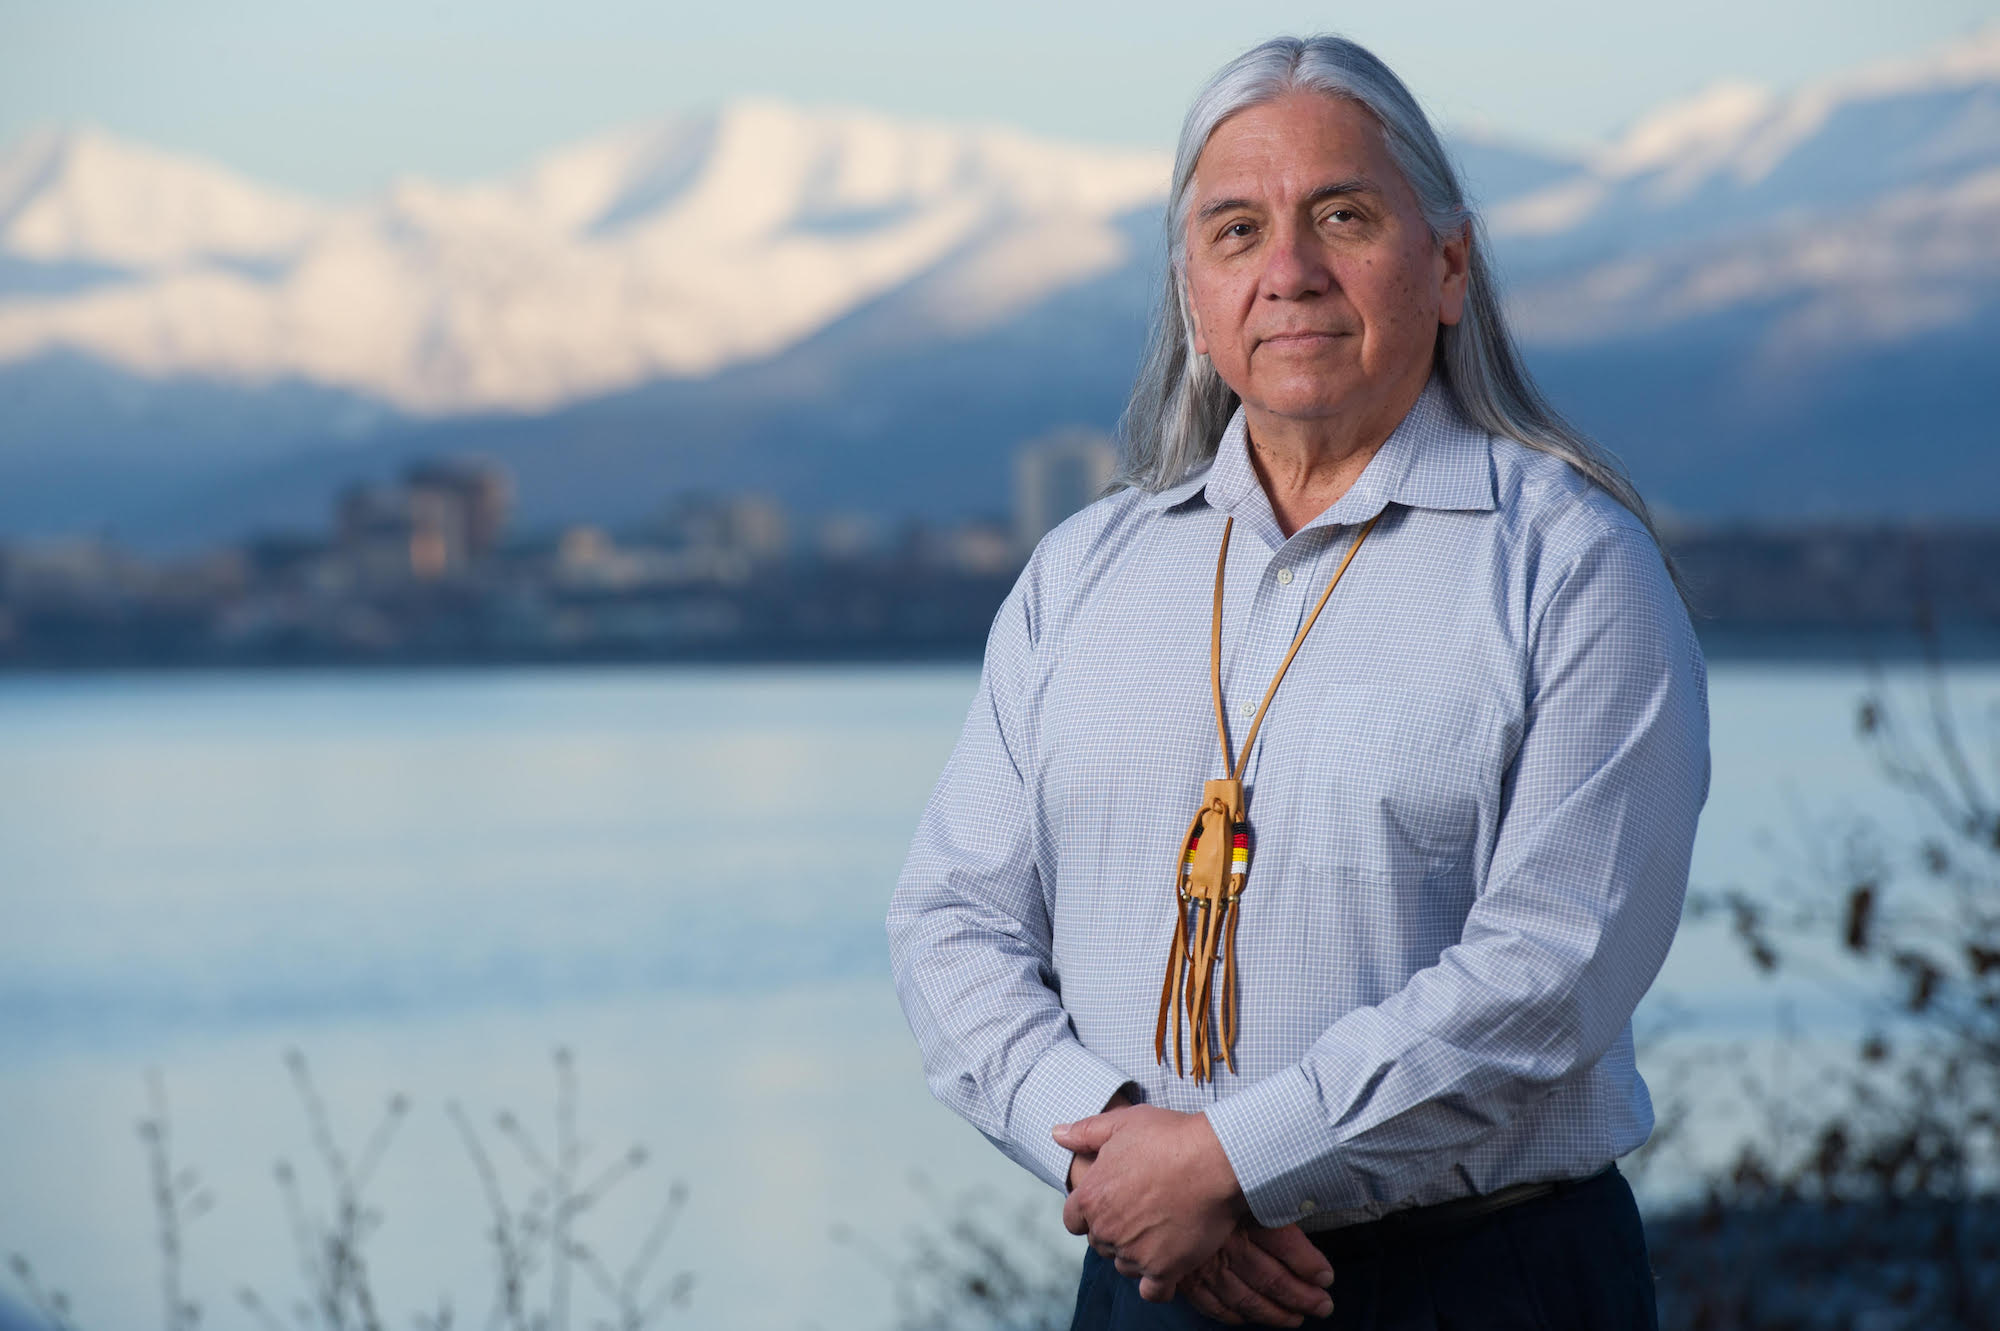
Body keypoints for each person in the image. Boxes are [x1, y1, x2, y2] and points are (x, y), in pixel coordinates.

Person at [886, 32, 1708, 1331]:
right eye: (1235, 231)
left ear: (1447, 264)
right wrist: (1122, 1157)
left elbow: (1552, 967)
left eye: (1343, 215)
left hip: (1485, 1285)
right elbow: (952, 923)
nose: (1290, 273)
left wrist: (1227, 1162)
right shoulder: (1082, 575)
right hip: (1149, 1284)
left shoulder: (1571, 565)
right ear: (1191, 294)